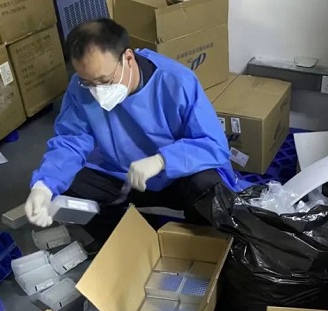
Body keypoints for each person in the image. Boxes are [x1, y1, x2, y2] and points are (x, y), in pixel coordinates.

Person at [24, 19, 236, 242]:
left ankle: (197, 243)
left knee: (208, 187)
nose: (97, 92)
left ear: (128, 58)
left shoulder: (176, 82)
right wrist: (44, 186)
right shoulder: (80, 88)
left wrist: (162, 160)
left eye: (105, 80)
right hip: (123, 177)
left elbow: (214, 145)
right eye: (88, 83)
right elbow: (71, 140)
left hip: (175, 177)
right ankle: (128, 242)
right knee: (68, 184)